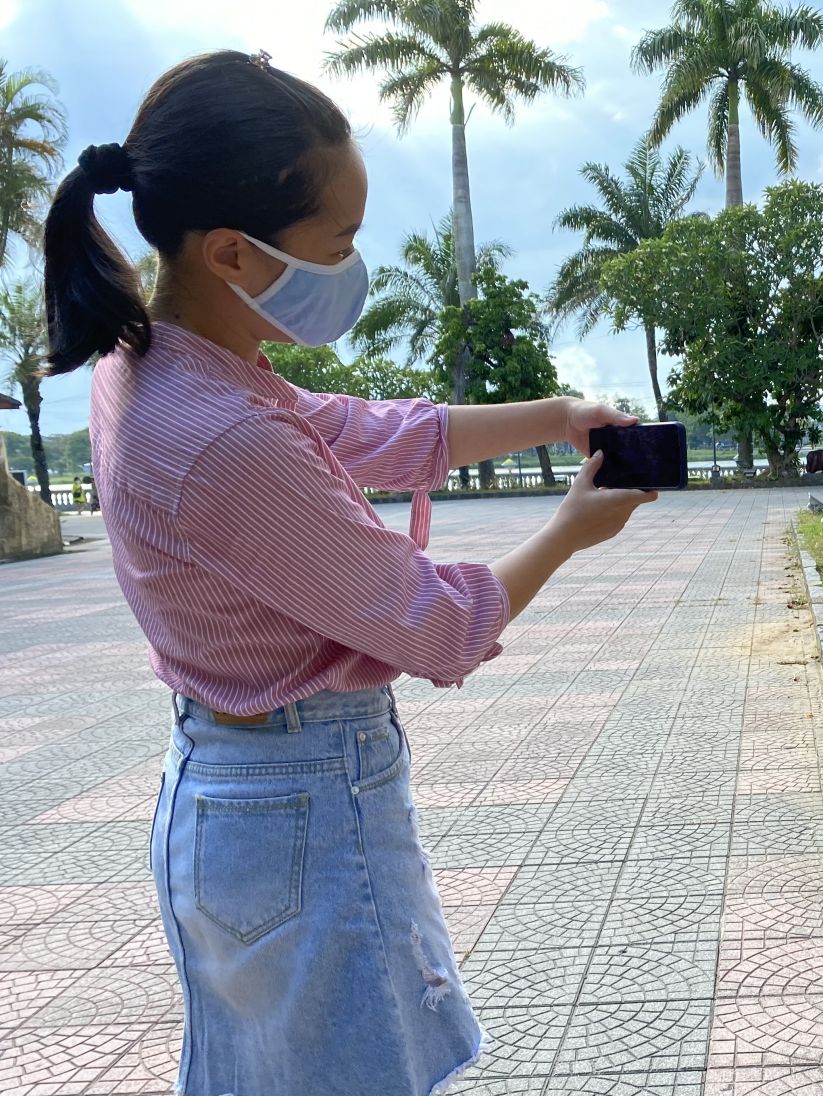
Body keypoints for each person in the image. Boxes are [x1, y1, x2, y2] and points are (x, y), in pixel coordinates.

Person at [41, 51, 655, 1096]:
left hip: (235, 793)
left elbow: (369, 430)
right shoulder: (222, 436)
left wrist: (556, 418)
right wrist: (566, 533)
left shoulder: (159, 362)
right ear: (232, 252)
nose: (354, 264)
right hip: (300, 801)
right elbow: (437, 625)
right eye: (340, 243)